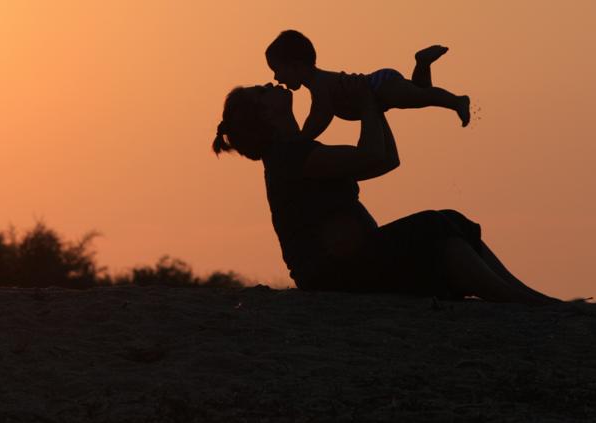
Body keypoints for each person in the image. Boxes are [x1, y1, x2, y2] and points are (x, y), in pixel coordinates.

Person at [212, 76, 557, 304]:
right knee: (434, 226)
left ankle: (522, 296)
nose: (270, 84)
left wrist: (375, 108)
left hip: (347, 267)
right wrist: (366, 105)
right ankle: (516, 301)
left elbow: (387, 160)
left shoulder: (295, 152)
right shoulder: (290, 156)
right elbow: (375, 158)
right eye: (261, 91)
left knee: (449, 220)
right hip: (337, 275)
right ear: (265, 117)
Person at [265, 29, 472, 141]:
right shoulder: (319, 84)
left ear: (295, 66)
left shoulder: (320, 85)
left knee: (422, 97)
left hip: (379, 86)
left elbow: (320, 115)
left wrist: (303, 139)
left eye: (277, 70)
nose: (276, 77)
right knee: (420, 92)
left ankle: (456, 101)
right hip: (381, 83)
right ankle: (422, 62)